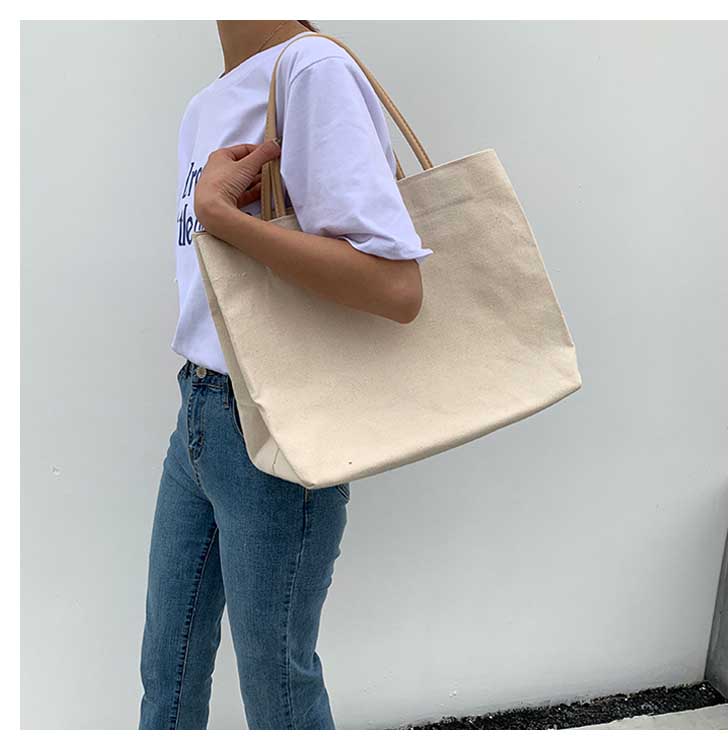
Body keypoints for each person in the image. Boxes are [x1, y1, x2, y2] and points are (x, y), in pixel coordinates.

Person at [138, 19, 432, 731]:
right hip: (198, 410)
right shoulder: (205, 106)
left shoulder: (312, 69)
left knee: (278, 694)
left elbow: (397, 289)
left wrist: (223, 218)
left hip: (277, 419)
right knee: (166, 674)